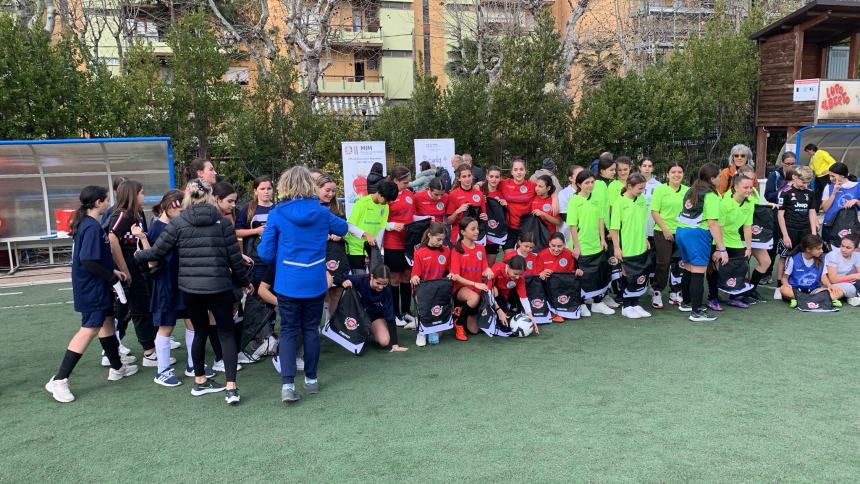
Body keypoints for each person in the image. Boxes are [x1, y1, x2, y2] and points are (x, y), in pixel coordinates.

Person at [135, 179, 252, 405]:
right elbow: (234, 259)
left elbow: (157, 251)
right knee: (226, 334)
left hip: (191, 289)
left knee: (199, 333)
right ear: (211, 197)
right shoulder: (223, 222)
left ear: (188, 197)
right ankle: (231, 389)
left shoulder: (179, 223)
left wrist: (138, 257)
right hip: (219, 287)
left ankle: (199, 381)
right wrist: (244, 281)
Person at [256, 166, 349, 403]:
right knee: (310, 329)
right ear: (310, 185)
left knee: (288, 330)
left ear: (285, 186)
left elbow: (265, 253)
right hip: (315, 280)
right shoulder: (320, 211)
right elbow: (343, 228)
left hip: (288, 281)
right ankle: (311, 379)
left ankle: (287, 385)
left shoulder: (277, 213)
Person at [45, 186, 137, 403]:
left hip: (96, 284)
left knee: (106, 322)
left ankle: (116, 367)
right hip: (91, 288)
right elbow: (87, 260)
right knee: (89, 329)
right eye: (106, 200)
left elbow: (93, 257)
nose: (108, 203)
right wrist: (111, 277)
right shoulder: (91, 227)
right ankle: (59, 380)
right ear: (97, 203)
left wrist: (111, 270)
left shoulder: (90, 224)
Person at [134, 190, 186, 386]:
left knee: (192, 322)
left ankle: (192, 365)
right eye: (181, 209)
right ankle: (162, 371)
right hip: (166, 283)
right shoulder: (158, 228)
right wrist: (144, 239)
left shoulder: (173, 225)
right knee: (166, 325)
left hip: (180, 282)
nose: (182, 213)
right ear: (171, 205)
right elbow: (152, 263)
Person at [107, 180, 159, 367]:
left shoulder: (135, 215)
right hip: (130, 271)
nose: (143, 196)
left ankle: (117, 350)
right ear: (132, 195)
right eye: (141, 192)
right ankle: (148, 353)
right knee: (135, 311)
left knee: (139, 309)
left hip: (137, 269)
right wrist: (125, 269)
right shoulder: (123, 215)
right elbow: (112, 238)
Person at [675, 163, 726, 322]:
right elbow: (712, 224)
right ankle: (696, 312)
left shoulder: (692, 189)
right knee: (698, 272)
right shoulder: (711, 195)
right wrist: (722, 248)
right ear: (712, 178)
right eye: (719, 176)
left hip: (681, 231)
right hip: (697, 234)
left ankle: (687, 303)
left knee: (689, 269)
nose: (721, 178)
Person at [566, 170, 613, 315]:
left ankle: (597, 303)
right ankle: (582, 303)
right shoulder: (574, 201)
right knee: (583, 276)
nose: (590, 185)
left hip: (596, 245)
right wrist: (577, 246)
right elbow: (572, 225)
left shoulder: (596, 199)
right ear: (579, 184)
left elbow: (601, 220)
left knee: (598, 274)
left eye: (592, 182)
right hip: (582, 246)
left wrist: (602, 239)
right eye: (587, 183)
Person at [337, 265, 409, 353]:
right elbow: (336, 277)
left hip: (375, 318)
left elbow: (390, 316)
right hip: (358, 316)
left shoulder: (387, 290)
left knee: (384, 341)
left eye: (384, 284)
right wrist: (342, 281)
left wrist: (395, 344)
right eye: (378, 283)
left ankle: (371, 330)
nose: (381, 287)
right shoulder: (361, 280)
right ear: (371, 276)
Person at [609, 173, 652, 319]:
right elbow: (614, 229)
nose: (642, 191)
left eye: (644, 188)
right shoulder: (619, 203)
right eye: (640, 188)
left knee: (640, 276)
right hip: (626, 248)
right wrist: (616, 248)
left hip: (640, 245)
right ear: (629, 186)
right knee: (628, 277)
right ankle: (627, 306)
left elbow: (643, 221)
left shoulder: (640, 200)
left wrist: (645, 238)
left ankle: (635, 304)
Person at [382, 166, 418, 328]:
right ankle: (394, 313)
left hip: (408, 243)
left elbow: (412, 216)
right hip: (392, 243)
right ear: (395, 181)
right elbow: (379, 221)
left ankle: (406, 311)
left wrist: (426, 219)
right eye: (405, 182)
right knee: (394, 278)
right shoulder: (387, 196)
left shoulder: (410, 195)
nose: (407, 184)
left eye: (409, 182)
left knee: (407, 276)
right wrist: (391, 225)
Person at [449, 217, 494, 340]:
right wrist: (475, 284)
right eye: (473, 229)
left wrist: (488, 270)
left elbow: (484, 268)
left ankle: (461, 311)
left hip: (477, 288)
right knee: (474, 298)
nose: (477, 232)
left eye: (477, 229)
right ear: (463, 232)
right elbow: (456, 276)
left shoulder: (480, 248)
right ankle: (458, 324)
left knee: (474, 331)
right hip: (461, 289)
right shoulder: (457, 250)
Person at [650, 163, 688, 309]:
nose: (676, 175)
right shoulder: (660, 190)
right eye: (673, 172)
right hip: (662, 232)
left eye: (680, 172)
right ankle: (657, 291)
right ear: (667, 174)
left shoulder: (688, 191)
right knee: (663, 262)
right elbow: (654, 212)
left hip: (681, 232)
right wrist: (665, 230)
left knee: (679, 263)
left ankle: (675, 292)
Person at [715, 173, 755, 309]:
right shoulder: (725, 203)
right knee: (716, 270)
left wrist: (748, 248)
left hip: (736, 240)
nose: (749, 190)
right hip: (720, 241)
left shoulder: (749, 204)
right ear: (736, 187)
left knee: (740, 268)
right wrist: (719, 249)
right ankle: (713, 298)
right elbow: (718, 227)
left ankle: (735, 297)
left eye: (751, 187)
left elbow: (747, 226)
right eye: (745, 187)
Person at [409, 222, 450, 346]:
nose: (441, 243)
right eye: (438, 239)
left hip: (440, 289)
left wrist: (452, 273)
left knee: (438, 331)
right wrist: (414, 277)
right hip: (424, 290)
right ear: (429, 235)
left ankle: (432, 329)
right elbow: (415, 273)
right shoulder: (419, 252)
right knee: (425, 309)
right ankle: (421, 331)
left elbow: (451, 269)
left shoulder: (446, 250)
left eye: (443, 240)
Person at [344, 181, 398, 273]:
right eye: (386, 199)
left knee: (372, 281)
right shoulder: (362, 203)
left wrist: (377, 248)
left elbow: (381, 228)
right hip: (356, 250)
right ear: (380, 193)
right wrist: (366, 234)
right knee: (359, 281)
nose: (387, 202)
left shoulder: (385, 207)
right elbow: (349, 226)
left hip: (371, 250)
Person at [779, 234, 842, 307]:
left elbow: (823, 277)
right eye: (818, 249)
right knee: (784, 290)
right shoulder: (793, 259)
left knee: (838, 292)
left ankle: (800, 300)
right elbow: (784, 278)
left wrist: (829, 285)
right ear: (808, 249)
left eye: (821, 248)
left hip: (814, 290)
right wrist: (785, 284)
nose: (821, 251)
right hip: (796, 290)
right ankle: (820, 300)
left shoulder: (823, 258)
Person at [235, 176, 275, 285]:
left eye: (269, 188)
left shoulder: (277, 209)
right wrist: (256, 231)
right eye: (262, 189)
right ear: (255, 191)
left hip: (274, 260)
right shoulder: (248, 209)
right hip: (255, 261)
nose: (266, 192)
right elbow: (237, 231)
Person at [536, 232, 583, 321]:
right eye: (553, 245)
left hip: (563, 288)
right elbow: (536, 274)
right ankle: (552, 311)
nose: (556, 249)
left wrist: (577, 272)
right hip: (548, 288)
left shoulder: (568, 253)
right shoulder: (542, 255)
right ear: (549, 243)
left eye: (559, 246)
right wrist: (541, 274)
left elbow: (571, 274)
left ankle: (568, 308)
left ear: (564, 245)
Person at [489, 255, 537, 332]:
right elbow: (487, 291)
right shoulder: (497, 268)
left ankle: (510, 308)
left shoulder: (520, 278)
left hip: (506, 296)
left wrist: (531, 317)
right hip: (491, 296)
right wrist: (498, 310)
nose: (518, 277)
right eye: (515, 274)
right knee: (493, 290)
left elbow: (523, 297)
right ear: (508, 267)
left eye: (520, 274)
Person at [500, 158, 536, 253]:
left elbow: (548, 188)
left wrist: (554, 196)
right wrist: (478, 185)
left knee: (526, 257)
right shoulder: (504, 183)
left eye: (521, 169)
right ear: (511, 172)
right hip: (510, 227)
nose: (518, 172)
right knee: (509, 256)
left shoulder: (532, 185)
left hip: (526, 228)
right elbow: (489, 183)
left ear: (525, 171)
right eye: (515, 170)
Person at [820, 162, 860, 244]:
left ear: (842, 175)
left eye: (833, 176)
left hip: (849, 225)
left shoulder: (857, 186)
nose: (830, 178)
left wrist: (856, 201)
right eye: (829, 176)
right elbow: (825, 209)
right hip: (830, 224)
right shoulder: (828, 187)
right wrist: (834, 193)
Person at [447, 164, 487, 244]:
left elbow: (483, 216)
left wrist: (485, 217)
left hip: (476, 236)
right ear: (459, 178)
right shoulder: (453, 195)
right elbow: (449, 221)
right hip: (459, 236)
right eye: (464, 177)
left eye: (469, 176)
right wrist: (457, 211)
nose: (467, 179)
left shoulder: (479, 194)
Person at [824, 234, 860, 306]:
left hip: (850, 283)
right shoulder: (832, 255)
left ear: (855, 249)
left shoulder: (857, 256)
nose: (843, 249)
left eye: (848, 247)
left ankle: (853, 297)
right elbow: (833, 280)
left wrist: (856, 277)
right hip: (834, 284)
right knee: (846, 289)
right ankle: (853, 297)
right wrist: (854, 276)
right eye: (842, 246)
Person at [804, 143, 837, 210]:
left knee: (828, 191)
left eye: (808, 151)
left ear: (812, 149)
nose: (808, 153)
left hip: (825, 176)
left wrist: (828, 170)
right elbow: (811, 167)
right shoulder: (812, 157)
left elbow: (833, 161)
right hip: (818, 176)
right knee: (817, 193)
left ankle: (830, 207)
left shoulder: (822, 153)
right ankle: (816, 209)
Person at [484, 166, 507, 259]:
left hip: (494, 235)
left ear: (500, 178)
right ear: (487, 177)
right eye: (491, 176)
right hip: (480, 234)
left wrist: (505, 204)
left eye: (497, 177)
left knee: (490, 264)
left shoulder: (503, 194)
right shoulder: (479, 192)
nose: (494, 179)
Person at [557, 165, 584, 244]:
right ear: (571, 178)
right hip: (569, 231)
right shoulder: (564, 193)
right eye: (579, 174)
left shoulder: (589, 192)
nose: (582, 177)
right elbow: (564, 214)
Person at [638, 157, 661, 238]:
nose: (647, 168)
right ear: (639, 167)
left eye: (649, 166)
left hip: (653, 226)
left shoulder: (659, 186)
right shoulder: (632, 183)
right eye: (644, 166)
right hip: (637, 226)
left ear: (653, 168)